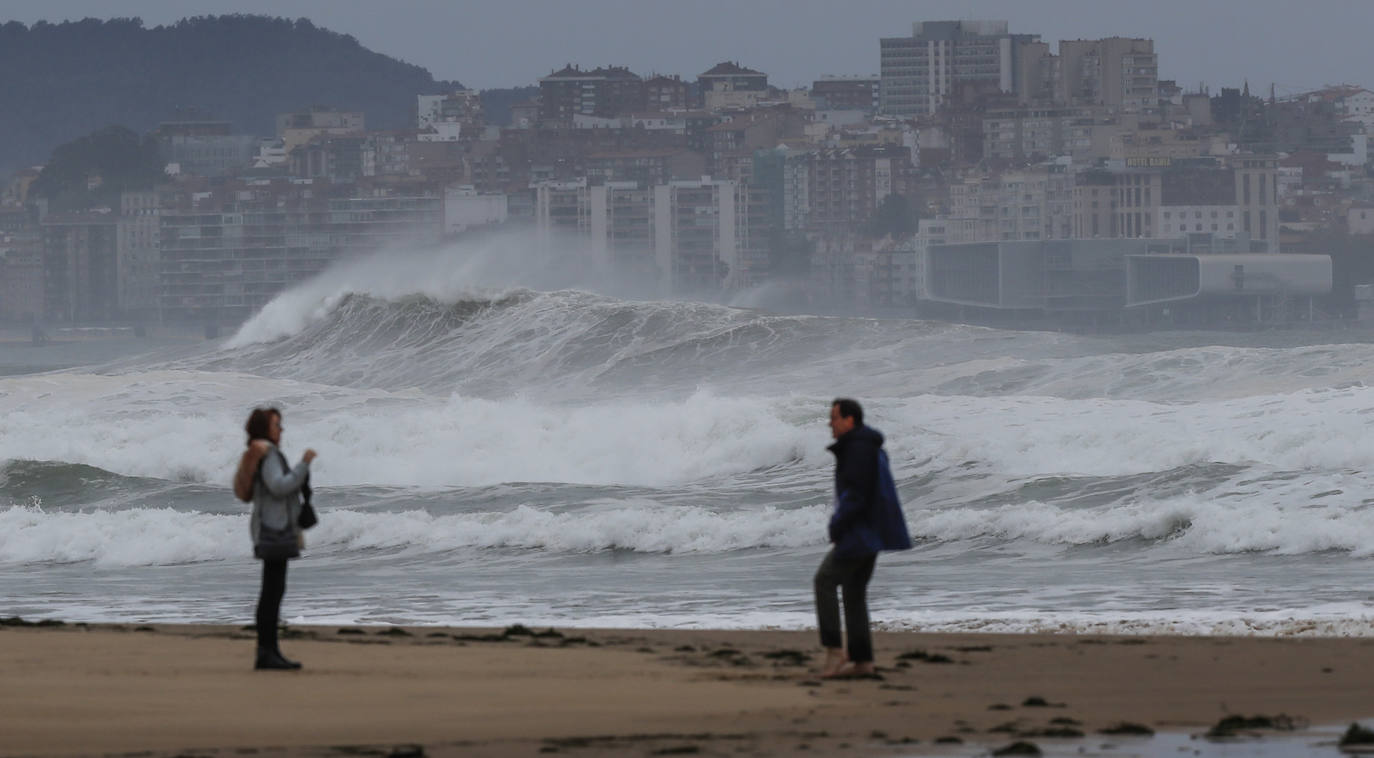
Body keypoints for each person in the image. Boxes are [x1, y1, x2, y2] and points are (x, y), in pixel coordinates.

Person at [814, 398, 912, 678]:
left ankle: (834, 650)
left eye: (834, 418)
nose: (829, 424)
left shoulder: (858, 448)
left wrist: (837, 524)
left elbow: (856, 494)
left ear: (849, 420)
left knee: (824, 581)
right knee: (854, 593)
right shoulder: (870, 446)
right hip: (874, 530)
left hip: (860, 531)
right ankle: (863, 662)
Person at [234, 407, 316, 671]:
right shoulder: (269, 454)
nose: (281, 430)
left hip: (272, 527)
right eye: (277, 425)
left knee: (272, 591)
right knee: (272, 592)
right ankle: (267, 652)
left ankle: (269, 651)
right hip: (274, 529)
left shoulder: (265, 453)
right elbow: (280, 486)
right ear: (266, 429)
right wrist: (303, 464)